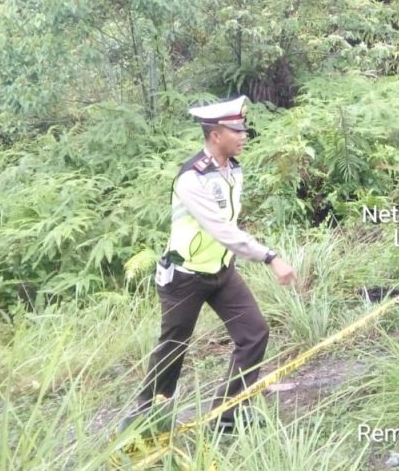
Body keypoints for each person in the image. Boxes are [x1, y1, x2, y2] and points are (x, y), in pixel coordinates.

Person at [121, 95, 297, 433]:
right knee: (173, 347)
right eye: (237, 130)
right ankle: (144, 419)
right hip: (184, 276)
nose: (244, 135)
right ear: (216, 135)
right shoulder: (192, 178)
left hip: (221, 271)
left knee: (254, 334)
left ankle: (226, 414)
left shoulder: (234, 170)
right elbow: (222, 229)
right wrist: (270, 257)